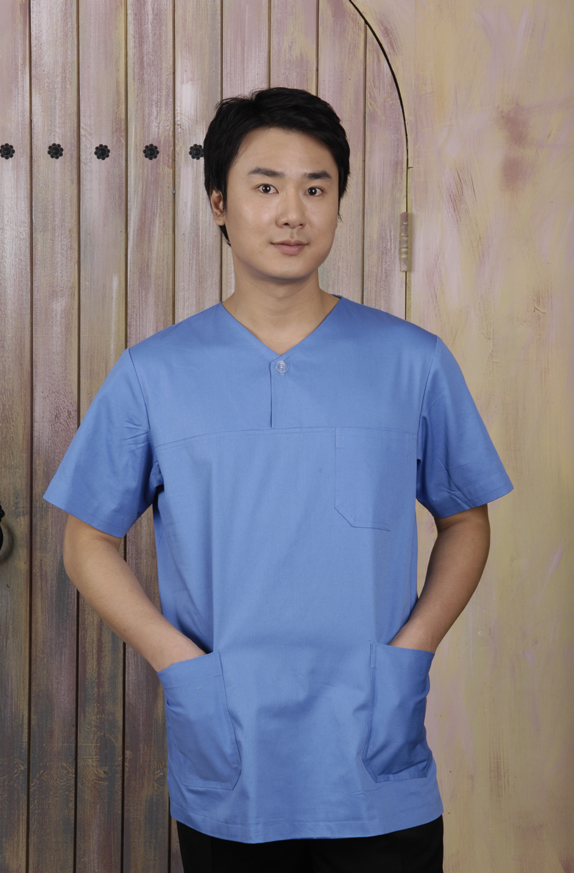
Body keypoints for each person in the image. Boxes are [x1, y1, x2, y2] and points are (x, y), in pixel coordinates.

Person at [43, 87, 513, 872]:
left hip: (374, 750)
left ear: (338, 204)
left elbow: (467, 518)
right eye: (266, 186)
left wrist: (414, 650)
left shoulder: (414, 361)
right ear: (220, 204)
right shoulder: (154, 373)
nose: (293, 212)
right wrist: (177, 661)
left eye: (315, 188)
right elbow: (87, 538)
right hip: (230, 748)